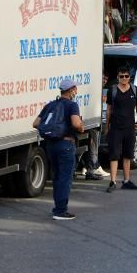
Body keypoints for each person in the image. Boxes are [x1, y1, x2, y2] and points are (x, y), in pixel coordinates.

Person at [33, 78, 84, 220]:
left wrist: (53, 130)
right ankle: (61, 211)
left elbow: (36, 123)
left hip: (51, 145)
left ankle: (57, 207)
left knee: (57, 177)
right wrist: (81, 126)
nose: (76, 91)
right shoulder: (72, 105)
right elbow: (75, 123)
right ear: (71, 90)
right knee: (65, 178)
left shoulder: (50, 105)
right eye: (75, 88)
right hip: (66, 145)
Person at [105, 66, 137, 192]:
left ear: (129, 77)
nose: (124, 79)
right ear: (118, 77)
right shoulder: (113, 90)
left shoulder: (134, 90)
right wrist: (107, 127)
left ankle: (127, 180)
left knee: (128, 155)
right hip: (116, 127)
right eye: (121, 76)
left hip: (129, 128)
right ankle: (113, 181)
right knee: (114, 155)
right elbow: (109, 110)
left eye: (126, 76)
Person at [81, 73, 110, 180]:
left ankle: (87, 166)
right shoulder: (94, 87)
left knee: (88, 144)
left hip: (89, 118)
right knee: (93, 143)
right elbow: (102, 100)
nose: (105, 80)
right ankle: (93, 166)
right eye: (103, 77)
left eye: (106, 78)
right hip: (93, 119)